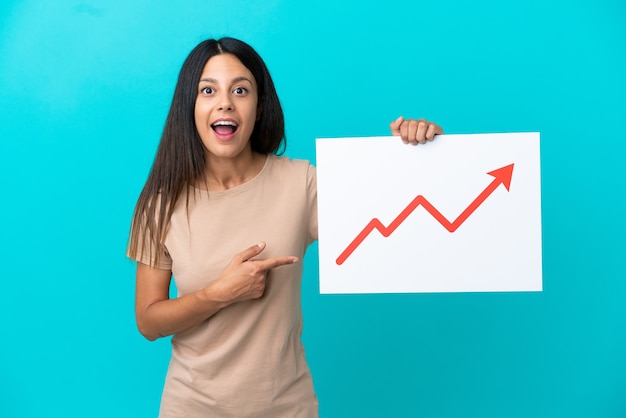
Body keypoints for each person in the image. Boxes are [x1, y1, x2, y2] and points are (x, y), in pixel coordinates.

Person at [127, 37, 443, 418]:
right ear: (189, 107)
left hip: (286, 408)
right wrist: (219, 294)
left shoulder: (301, 183)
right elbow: (148, 320)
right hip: (191, 408)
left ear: (259, 107)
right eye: (207, 90)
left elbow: (401, 225)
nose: (225, 102)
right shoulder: (160, 204)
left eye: (240, 90)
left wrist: (414, 156)